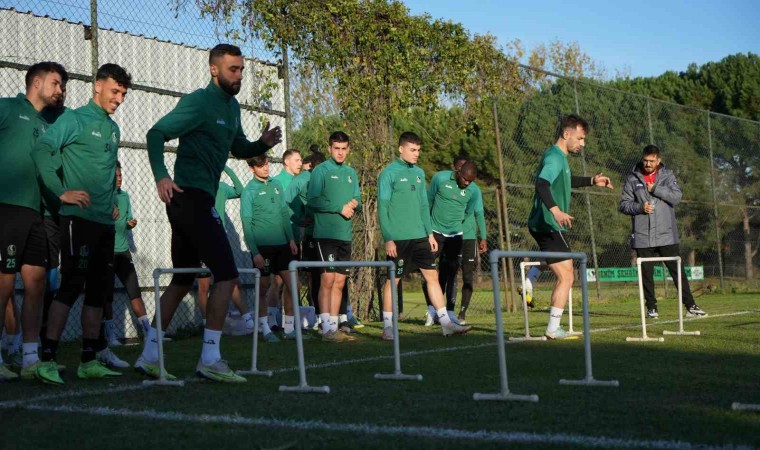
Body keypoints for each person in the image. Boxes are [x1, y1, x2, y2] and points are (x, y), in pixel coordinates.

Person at [141, 43, 281, 383]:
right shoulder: (198, 102)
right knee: (227, 276)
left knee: (182, 279)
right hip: (187, 199)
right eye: (233, 69)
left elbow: (238, 147)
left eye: (241, 69)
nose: (239, 75)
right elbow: (156, 133)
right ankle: (210, 358)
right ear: (214, 70)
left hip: (197, 201)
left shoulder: (232, 108)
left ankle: (149, 355)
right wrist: (161, 176)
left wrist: (262, 144)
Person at [33, 63, 132, 383]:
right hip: (78, 220)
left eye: (123, 94)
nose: (119, 99)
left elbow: (107, 173)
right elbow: (42, 149)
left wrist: (112, 202)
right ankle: (47, 359)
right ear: (98, 86)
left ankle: (89, 360)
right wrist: (60, 191)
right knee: (71, 285)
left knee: (98, 291)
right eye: (115, 91)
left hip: (105, 223)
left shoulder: (113, 129)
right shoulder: (74, 119)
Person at [378, 132, 472, 340]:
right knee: (393, 279)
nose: (416, 154)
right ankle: (387, 326)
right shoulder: (388, 174)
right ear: (400, 149)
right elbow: (382, 208)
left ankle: (446, 324)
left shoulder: (419, 173)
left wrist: (429, 234)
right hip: (399, 239)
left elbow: (423, 205)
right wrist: (388, 238)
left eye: (418, 150)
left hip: (421, 236)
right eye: (412, 150)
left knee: (432, 276)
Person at [528, 114, 613, 340]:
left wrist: (591, 181)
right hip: (547, 223)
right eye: (580, 138)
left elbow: (566, 180)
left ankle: (530, 279)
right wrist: (555, 210)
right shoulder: (554, 158)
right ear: (566, 134)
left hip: (547, 224)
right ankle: (552, 328)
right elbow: (542, 183)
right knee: (566, 277)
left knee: (566, 272)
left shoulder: (560, 158)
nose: (583, 144)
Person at [619, 144, 707, 318]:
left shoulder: (668, 175)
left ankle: (691, 307)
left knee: (677, 272)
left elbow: (676, 197)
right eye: (645, 160)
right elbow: (624, 205)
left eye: (651, 161)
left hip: (666, 235)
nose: (648, 164)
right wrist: (640, 207)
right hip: (643, 236)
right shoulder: (632, 178)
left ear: (658, 160)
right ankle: (651, 309)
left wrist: (655, 189)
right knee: (646, 275)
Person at [307, 131, 360, 342]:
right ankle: (325, 326)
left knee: (340, 281)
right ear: (329, 148)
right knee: (327, 278)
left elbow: (357, 197)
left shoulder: (351, 173)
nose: (340, 152)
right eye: (336, 148)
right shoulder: (320, 171)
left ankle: (334, 326)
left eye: (343, 148)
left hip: (344, 235)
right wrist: (340, 208)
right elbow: (313, 200)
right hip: (326, 235)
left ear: (348, 149)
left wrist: (354, 203)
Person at [240, 154, 299, 341]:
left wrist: (291, 239)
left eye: (266, 164)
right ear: (251, 168)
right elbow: (246, 223)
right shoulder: (249, 191)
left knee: (293, 284)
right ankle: (265, 329)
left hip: (283, 246)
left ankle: (289, 328)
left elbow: (284, 213)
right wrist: (255, 252)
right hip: (263, 249)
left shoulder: (277, 185)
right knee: (263, 288)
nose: (265, 168)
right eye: (260, 165)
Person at [196, 165, 255, 334]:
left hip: (219, 240)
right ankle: (207, 325)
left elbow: (240, 190)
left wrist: (226, 168)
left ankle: (249, 322)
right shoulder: (197, 189)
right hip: (201, 240)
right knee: (204, 286)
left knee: (231, 280)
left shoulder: (221, 187)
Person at [422, 159, 480, 325]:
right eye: (465, 179)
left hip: (455, 235)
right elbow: (428, 203)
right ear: (458, 172)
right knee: (429, 272)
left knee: (451, 273)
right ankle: (432, 310)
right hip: (435, 233)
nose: (467, 183)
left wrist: (454, 223)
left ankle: (449, 312)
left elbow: (468, 212)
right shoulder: (440, 178)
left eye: (471, 181)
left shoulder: (474, 191)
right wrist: (428, 231)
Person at [106, 161, 150, 342]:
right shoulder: (101, 196)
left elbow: (127, 220)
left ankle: (149, 333)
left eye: (120, 175)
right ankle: (110, 336)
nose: (119, 179)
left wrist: (130, 224)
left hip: (124, 252)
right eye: (115, 176)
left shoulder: (124, 197)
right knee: (106, 296)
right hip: (106, 252)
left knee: (135, 292)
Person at [266, 149, 302, 328]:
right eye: (296, 160)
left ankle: (288, 325)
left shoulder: (299, 181)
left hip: (295, 239)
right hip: (281, 240)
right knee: (278, 281)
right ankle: (272, 320)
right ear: (286, 162)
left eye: (301, 160)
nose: (300, 163)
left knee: (290, 283)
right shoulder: (277, 182)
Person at [455, 156, 488, 324]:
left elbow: (479, 213)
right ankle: (442, 311)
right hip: (450, 236)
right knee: (448, 274)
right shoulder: (447, 186)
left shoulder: (474, 190)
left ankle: (462, 313)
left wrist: (483, 237)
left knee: (467, 275)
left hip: (468, 237)